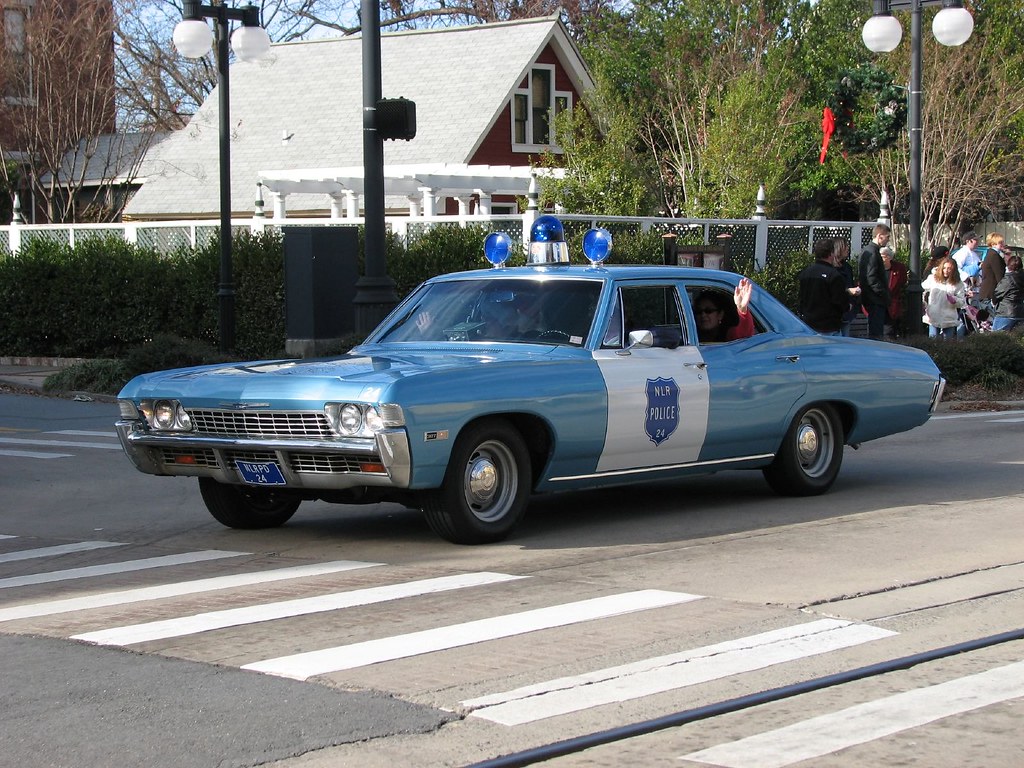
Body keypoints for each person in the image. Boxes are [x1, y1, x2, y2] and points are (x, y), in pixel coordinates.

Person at [798, 238, 849, 335]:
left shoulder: (805, 273)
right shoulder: (834, 275)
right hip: (829, 327)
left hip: (808, 325)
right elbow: (839, 301)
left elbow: (801, 299)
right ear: (831, 254)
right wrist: (847, 306)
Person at [694, 278, 754, 343]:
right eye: (699, 311)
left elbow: (743, 338)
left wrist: (742, 309)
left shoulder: (729, 336)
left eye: (708, 311)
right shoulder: (688, 334)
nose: (703, 315)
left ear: (720, 315)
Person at [921, 256, 967, 340]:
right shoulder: (933, 278)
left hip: (948, 318)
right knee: (933, 340)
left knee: (947, 343)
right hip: (933, 316)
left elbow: (962, 302)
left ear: (953, 270)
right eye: (944, 268)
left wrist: (954, 300)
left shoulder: (958, 283)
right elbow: (923, 287)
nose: (946, 270)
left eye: (949, 268)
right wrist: (924, 304)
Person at [859, 224, 891, 340]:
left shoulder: (870, 251)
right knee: (876, 334)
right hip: (875, 299)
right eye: (887, 237)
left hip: (872, 298)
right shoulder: (872, 252)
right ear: (879, 236)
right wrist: (883, 292)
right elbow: (871, 278)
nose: (888, 240)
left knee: (876, 331)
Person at [880, 245, 908, 338]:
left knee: (889, 333)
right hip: (877, 305)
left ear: (889, 257)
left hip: (892, 307)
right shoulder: (874, 268)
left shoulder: (898, 268)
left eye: (882, 256)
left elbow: (902, 282)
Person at [991, 253, 1024, 331]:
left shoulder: (1008, 279)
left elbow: (997, 293)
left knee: (997, 338)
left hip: (1006, 312)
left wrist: (994, 302)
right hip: (1020, 311)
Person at [978, 232, 1008, 305]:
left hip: (987, 293)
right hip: (990, 294)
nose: (1003, 244)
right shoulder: (994, 256)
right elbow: (999, 276)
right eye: (1000, 243)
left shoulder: (992, 254)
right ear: (993, 244)